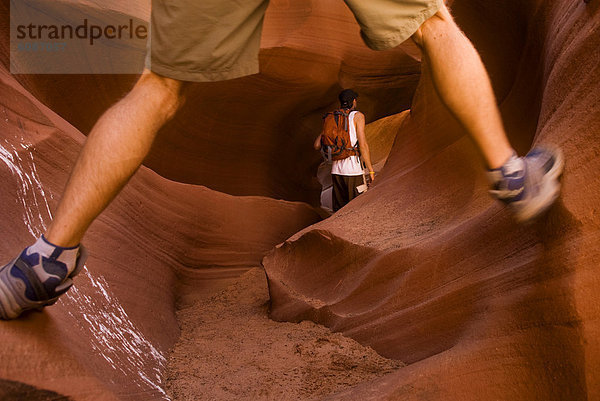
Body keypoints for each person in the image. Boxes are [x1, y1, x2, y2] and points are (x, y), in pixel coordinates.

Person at [0, 0, 564, 320]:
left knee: (158, 88)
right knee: (434, 25)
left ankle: (47, 256)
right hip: (347, 170)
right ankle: (510, 173)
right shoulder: (350, 119)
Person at [313, 89, 375, 211]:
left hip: (336, 172)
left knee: (340, 210)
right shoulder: (358, 116)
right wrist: (371, 171)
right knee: (359, 207)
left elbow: (316, 145)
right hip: (353, 171)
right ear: (354, 101)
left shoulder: (331, 118)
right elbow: (363, 145)